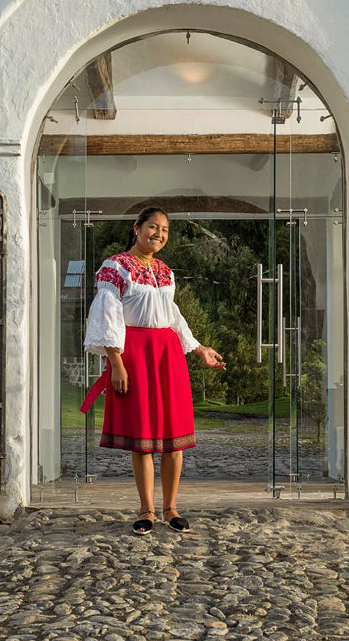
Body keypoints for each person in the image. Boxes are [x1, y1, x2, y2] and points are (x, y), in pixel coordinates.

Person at [80, 206, 225, 534]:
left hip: (167, 355)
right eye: (153, 227)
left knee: (175, 436)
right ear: (137, 228)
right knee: (142, 438)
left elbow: (172, 315)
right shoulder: (115, 266)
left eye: (165, 230)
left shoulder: (165, 271)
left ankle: (170, 508)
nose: (159, 234)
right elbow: (107, 316)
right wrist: (116, 363)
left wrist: (199, 348)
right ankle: (146, 510)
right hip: (135, 355)